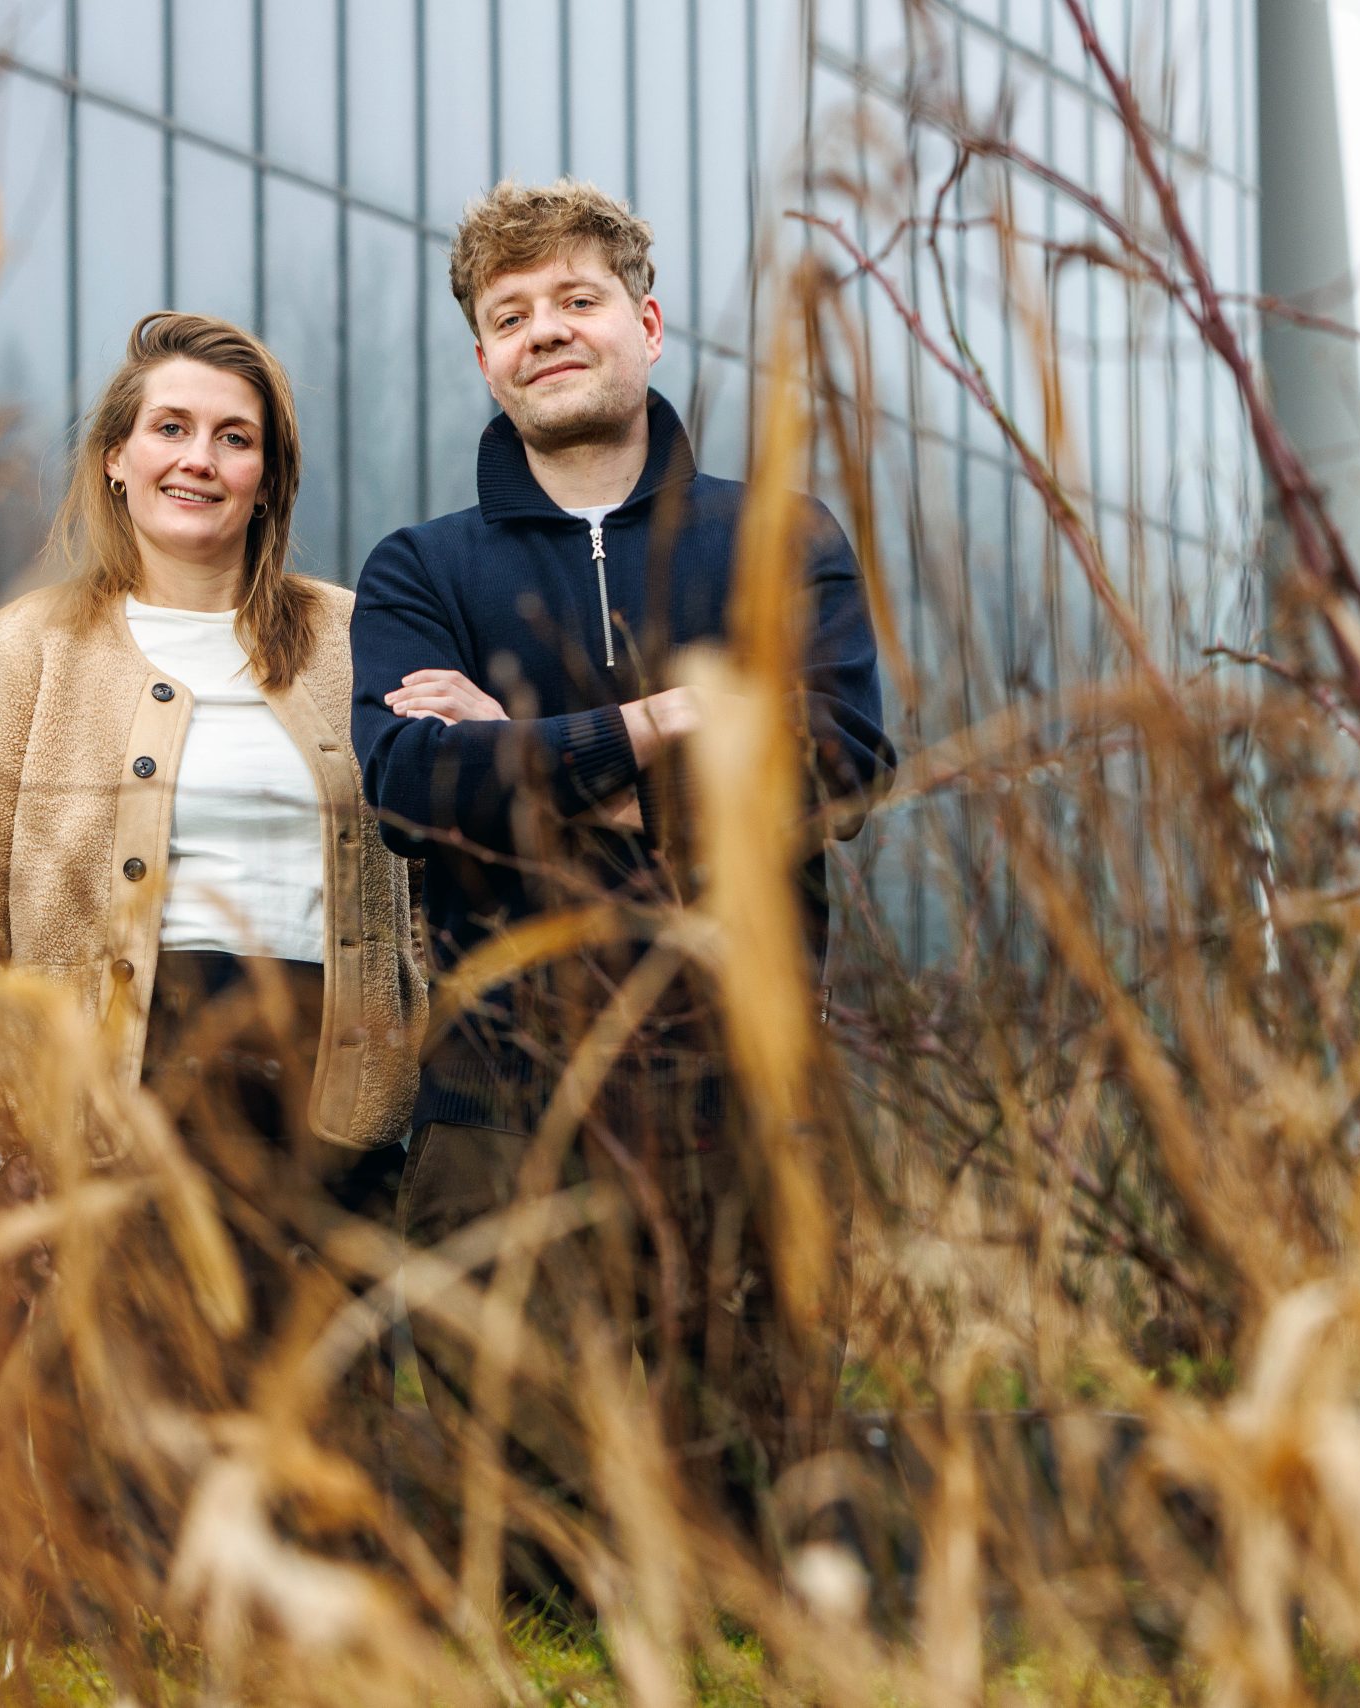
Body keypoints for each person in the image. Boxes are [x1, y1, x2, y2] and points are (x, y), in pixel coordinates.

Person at [349, 179, 894, 1525]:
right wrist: (664, 722)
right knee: (532, 1534)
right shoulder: (420, 571)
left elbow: (838, 766)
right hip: (498, 1104)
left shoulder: (780, 540)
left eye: (576, 299)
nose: (544, 329)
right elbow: (411, 789)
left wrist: (524, 757)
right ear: (486, 360)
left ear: (645, 326)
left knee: (755, 1517)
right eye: (509, 315)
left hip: (740, 1084)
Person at [0, 312, 425, 1361]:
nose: (200, 459)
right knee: (128, 1436)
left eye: (235, 437)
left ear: (268, 479)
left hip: (329, 1132)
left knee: (319, 1436)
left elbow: (426, 870)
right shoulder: (30, 649)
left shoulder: (351, 639)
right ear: (116, 460)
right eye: (170, 428)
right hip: (109, 1133)